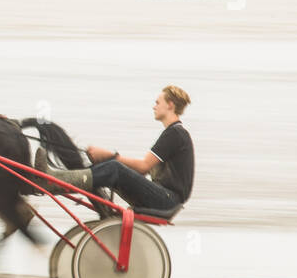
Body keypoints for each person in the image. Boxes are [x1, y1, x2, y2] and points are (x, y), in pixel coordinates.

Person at [36, 85, 194, 213]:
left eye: (158, 102)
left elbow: (143, 166)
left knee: (115, 168)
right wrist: (105, 160)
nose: (154, 107)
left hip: (167, 200)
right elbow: (142, 171)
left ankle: (55, 180)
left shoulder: (175, 133)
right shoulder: (173, 133)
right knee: (114, 169)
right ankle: (62, 180)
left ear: (170, 105)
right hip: (164, 197)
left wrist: (110, 156)